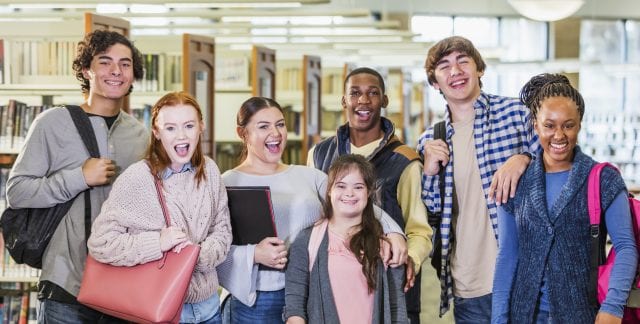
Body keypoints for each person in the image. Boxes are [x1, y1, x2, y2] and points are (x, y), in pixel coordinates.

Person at [217, 96, 407, 324]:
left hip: (310, 291)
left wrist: (394, 232)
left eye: (280, 124)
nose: (276, 133)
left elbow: (352, 199)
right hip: (257, 300)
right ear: (242, 133)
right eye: (264, 126)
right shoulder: (226, 183)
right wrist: (253, 254)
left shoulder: (309, 176)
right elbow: (212, 250)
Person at [5, 30, 148, 323]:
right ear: (87, 70)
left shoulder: (141, 135)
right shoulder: (53, 123)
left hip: (122, 283)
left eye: (125, 64)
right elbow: (17, 191)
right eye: (105, 62)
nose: (116, 71)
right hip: (65, 283)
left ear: (133, 75)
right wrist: (78, 177)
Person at [491, 73, 638, 323]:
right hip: (524, 314)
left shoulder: (603, 180)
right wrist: (498, 317)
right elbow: (507, 254)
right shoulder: (517, 181)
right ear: (535, 125)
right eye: (549, 125)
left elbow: (626, 247)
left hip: (583, 313)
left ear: (580, 124)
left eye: (568, 125)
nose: (559, 135)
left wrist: (613, 306)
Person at [416, 35, 539, 321]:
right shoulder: (431, 139)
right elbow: (432, 212)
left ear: (479, 69)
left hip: (522, 272)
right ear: (435, 82)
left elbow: (559, 169)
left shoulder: (517, 115)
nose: (455, 71)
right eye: (444, 66)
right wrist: (429, 172)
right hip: (467, 280)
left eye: (463, 61)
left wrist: (525, 159)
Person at [87, 91, 232, 324]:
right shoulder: (137, 178)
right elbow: (100, 244)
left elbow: (222, 232)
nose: (181, 136)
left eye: (189, 125)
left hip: (208, 309)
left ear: (201, 127)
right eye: (170, 128)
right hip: (158, 309)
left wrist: (195, 256)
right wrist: (157, 243)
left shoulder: (211, 171)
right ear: (156, 132)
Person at [308, 66, 431, 323]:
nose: (363, 101)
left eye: (372, 93)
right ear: (343, 100)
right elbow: (314, 220)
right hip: (332, 285)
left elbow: (419, 230)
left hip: (386, 283)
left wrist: (410, 258)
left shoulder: (405, 161)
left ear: (384, 100)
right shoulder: (318, 155)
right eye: (355, 93)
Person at [286, 154, 407, 323]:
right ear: (329, 191)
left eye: (358, 187)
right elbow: (295, 306)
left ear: (369, 192)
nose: (349, 193)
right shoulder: (307, 240)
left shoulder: (386, 246)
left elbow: (397, 308)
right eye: (341, 186)